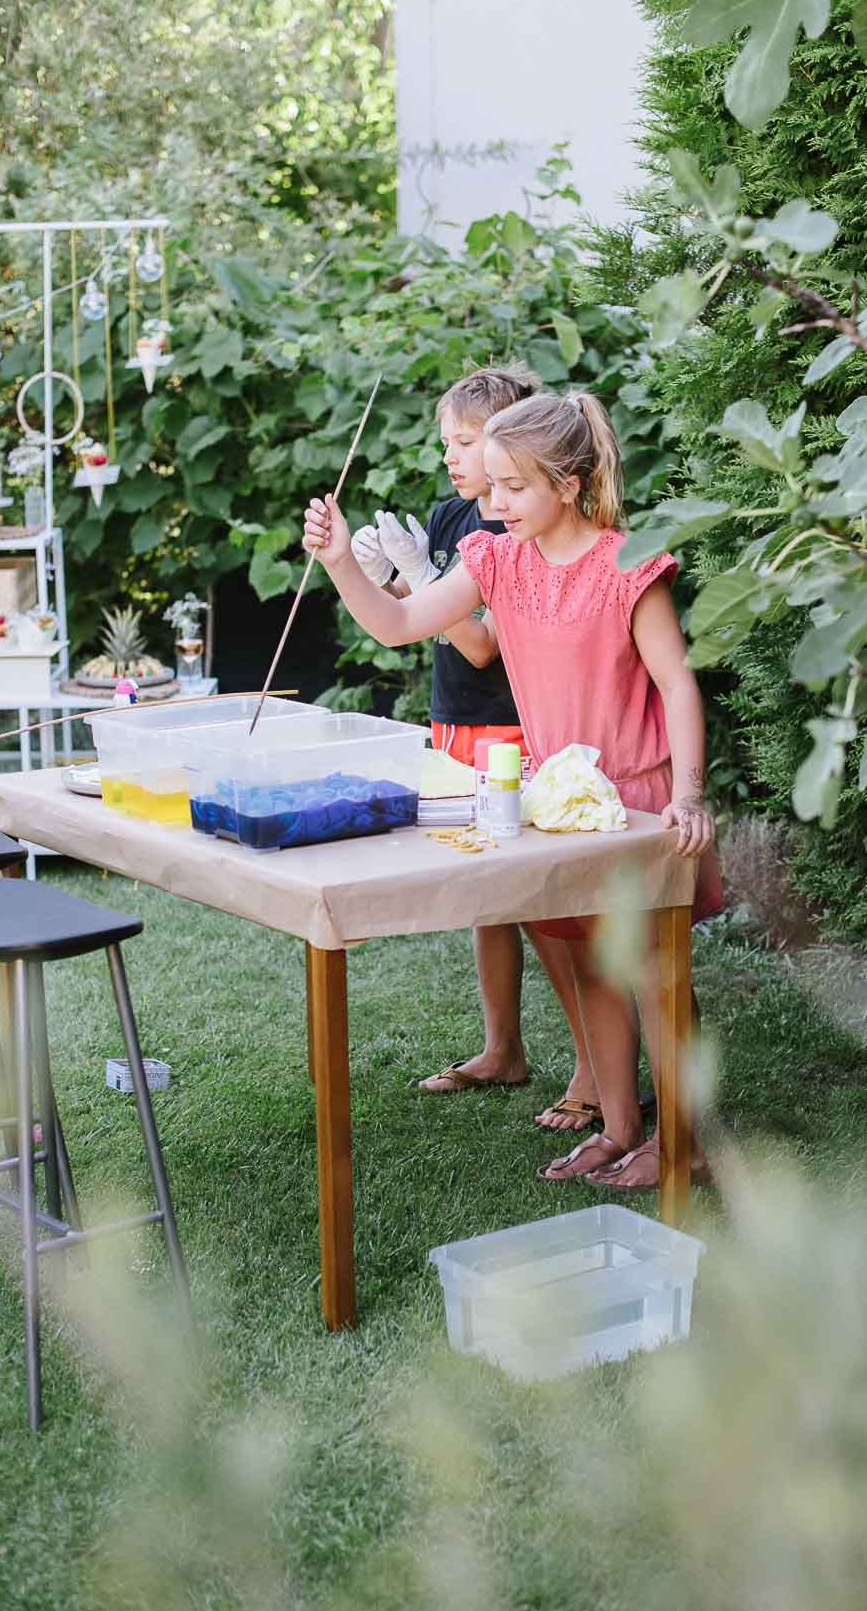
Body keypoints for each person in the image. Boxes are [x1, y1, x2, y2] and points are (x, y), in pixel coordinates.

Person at [303, 390, 722, 1193]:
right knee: (592, 963)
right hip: (560, 800)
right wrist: (340, 563)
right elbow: (398, 626)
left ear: (567, 483)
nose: (493, 503)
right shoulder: (496, 559)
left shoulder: (630, 565)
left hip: (638, 802)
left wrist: (691, 794)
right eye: (489, 485)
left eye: (512, 487)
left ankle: (686, 1141)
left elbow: (677, 683)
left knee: (656, 974)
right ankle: (621, 1127)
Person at [349, 367, 605, 1128]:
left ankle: (593, 1072)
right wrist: (387, 581)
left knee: (538, 905)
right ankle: (503, 1049)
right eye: (449, 444)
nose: (455, 460)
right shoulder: (448, 512)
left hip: (508, 728)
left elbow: (482, 648)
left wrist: (417, 571)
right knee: (488, 901)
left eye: (467, 442)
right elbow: (427, 617)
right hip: (453, 722)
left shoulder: (504, 525)